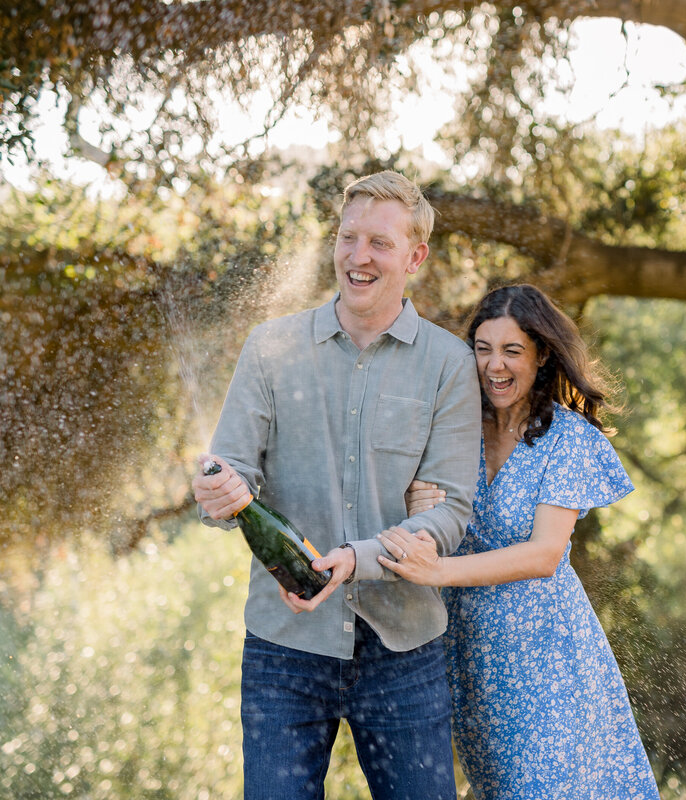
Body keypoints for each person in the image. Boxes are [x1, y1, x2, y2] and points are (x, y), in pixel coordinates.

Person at [192, 170, 481, 800]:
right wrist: (218, 493)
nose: (358, 256)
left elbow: (450, 513)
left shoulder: (449, 365)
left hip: (403, 650)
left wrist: (359, 562)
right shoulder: (270, 348)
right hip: (284, 650)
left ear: (415, 256)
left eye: (379, 242)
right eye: (348, 238)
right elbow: (233, 473)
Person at [377, 284, 661, 800]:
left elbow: (545, 554)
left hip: (548, 656)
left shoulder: (568, 440)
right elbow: (418, 508)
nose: (494, 366)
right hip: (468, 653)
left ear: (542, 354)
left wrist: (438, 572)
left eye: (512, 351)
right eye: (483, 349)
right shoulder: (452, 431)